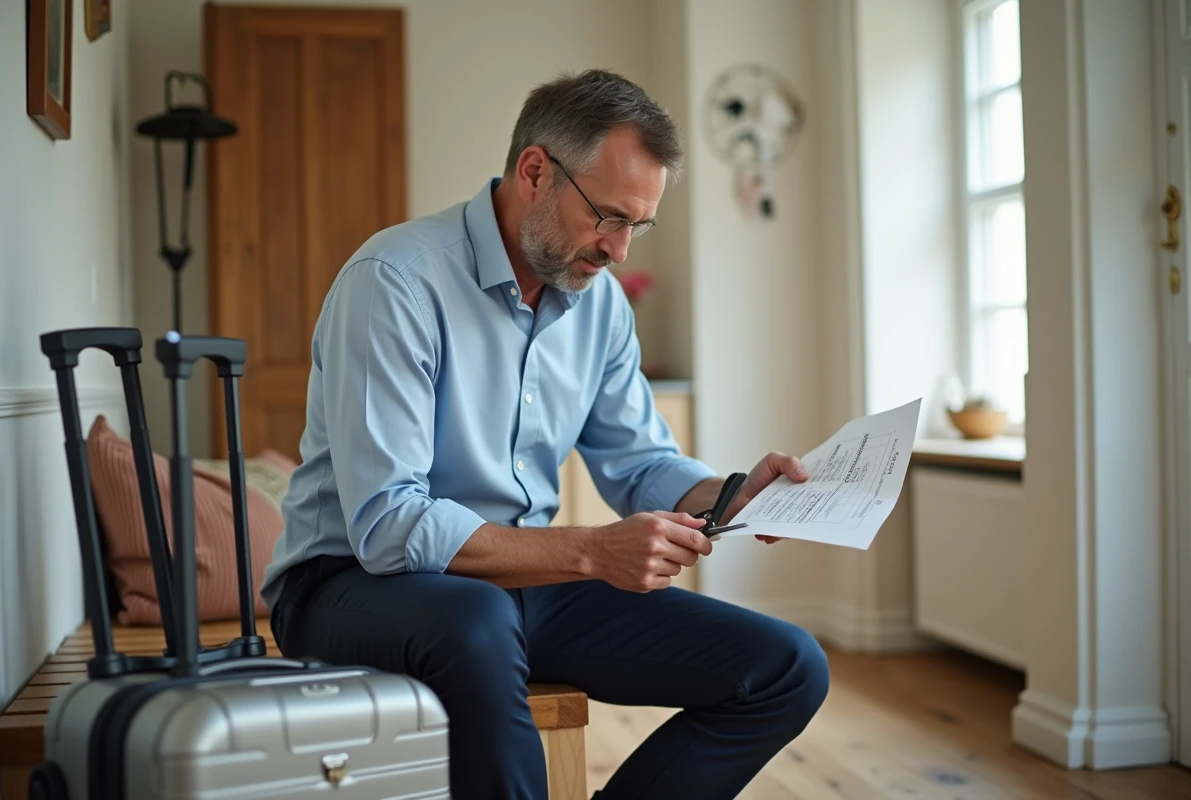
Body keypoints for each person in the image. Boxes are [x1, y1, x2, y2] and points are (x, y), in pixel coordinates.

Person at [260, 68, 829, 799]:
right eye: (609, 217)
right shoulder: (394, 280)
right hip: (347, 585)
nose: (620, 250)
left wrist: (731, 494)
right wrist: (592, 551)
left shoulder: (600, 307)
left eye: (637, 225)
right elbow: (388, 525)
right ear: (535, 171)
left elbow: (638, 461)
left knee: (789, 668)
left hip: (522, 581)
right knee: (476, 617)